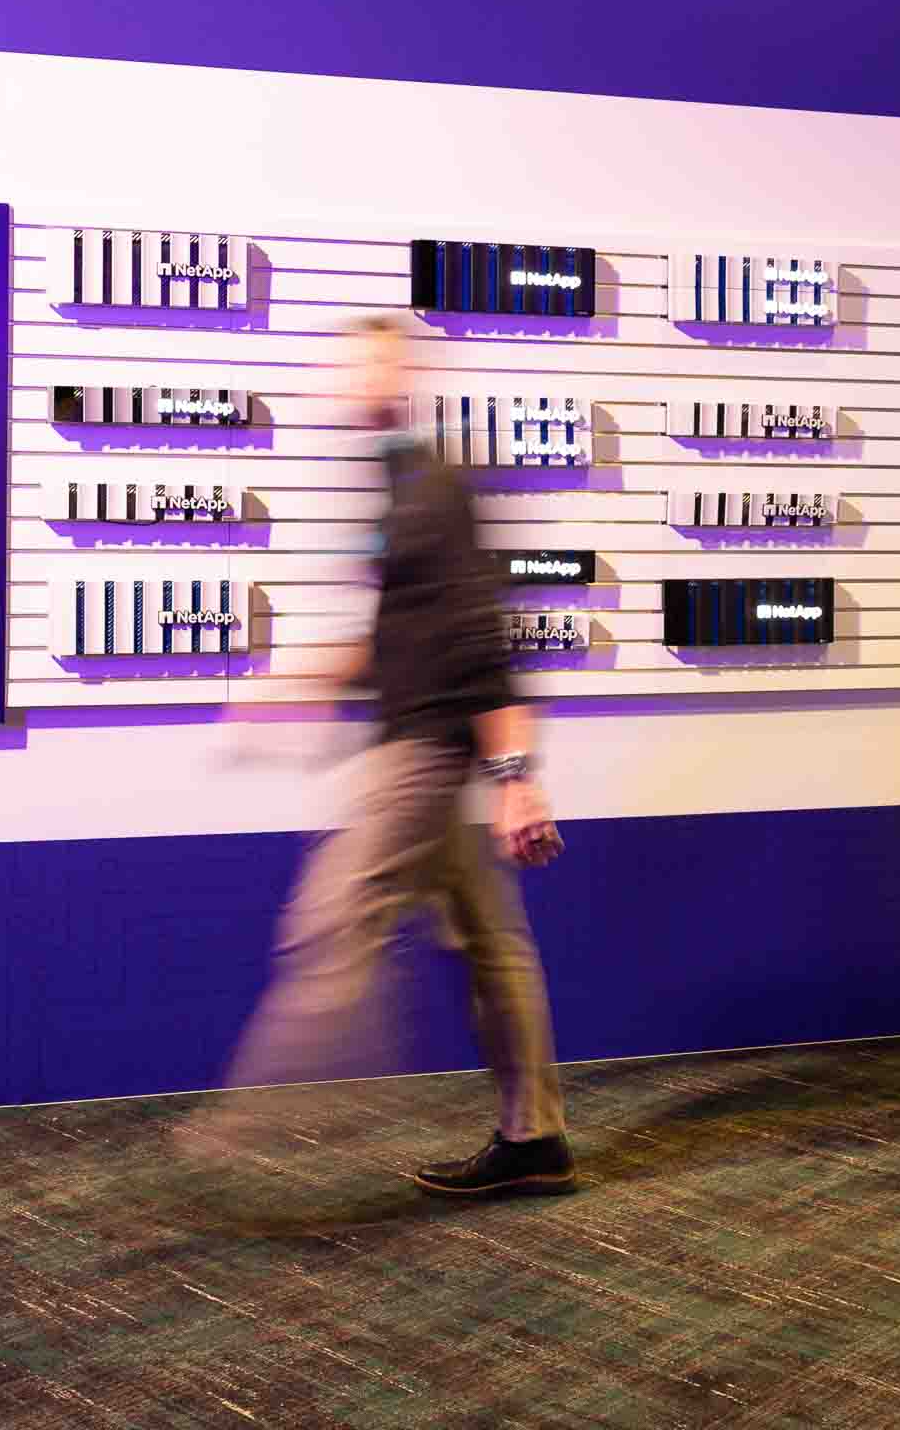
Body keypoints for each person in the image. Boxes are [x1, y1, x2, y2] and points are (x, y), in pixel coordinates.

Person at [196, 314, 576, 1199]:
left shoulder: (433, 487)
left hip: (424, 755)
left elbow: (483, 640)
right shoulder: (396, 490)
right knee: (493, 944)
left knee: (330, 919)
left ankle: (251, 1147)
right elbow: (393, 638)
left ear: (400, 374)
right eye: (348, 365)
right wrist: (288, 685)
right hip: (421, 744)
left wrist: (517, 779)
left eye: (370, 363)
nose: (351, 379)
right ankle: (535, 1139)